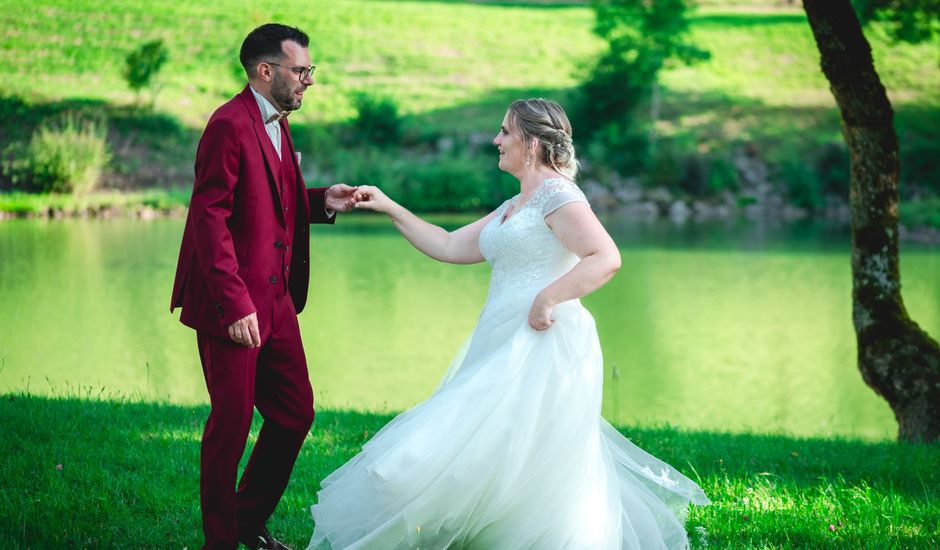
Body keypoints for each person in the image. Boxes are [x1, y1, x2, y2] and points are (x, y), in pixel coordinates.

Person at [306, 99, 710, 549]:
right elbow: (448, 244)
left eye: (504, 133)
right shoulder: (515, 204)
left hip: (544, 339)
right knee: (496, 443)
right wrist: (390, 206)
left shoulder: (559, 195)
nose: (496, 141)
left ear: (532, 143)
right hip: (501, 335)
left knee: (497, 442)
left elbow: (606, 257)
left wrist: (549, 297)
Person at [169, 23, 358, 550]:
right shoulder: (228, 125)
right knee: (230, 426)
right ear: (265, 70)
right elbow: (210, 218)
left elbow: (271, 200)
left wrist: (321, 201)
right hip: (234, 305)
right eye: (301, 71)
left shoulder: (278, 121)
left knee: (295, 413)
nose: (309, 81)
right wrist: (234, 304)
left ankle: (245, 522)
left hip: (277, 302)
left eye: (309, 71)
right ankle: (221, 542)